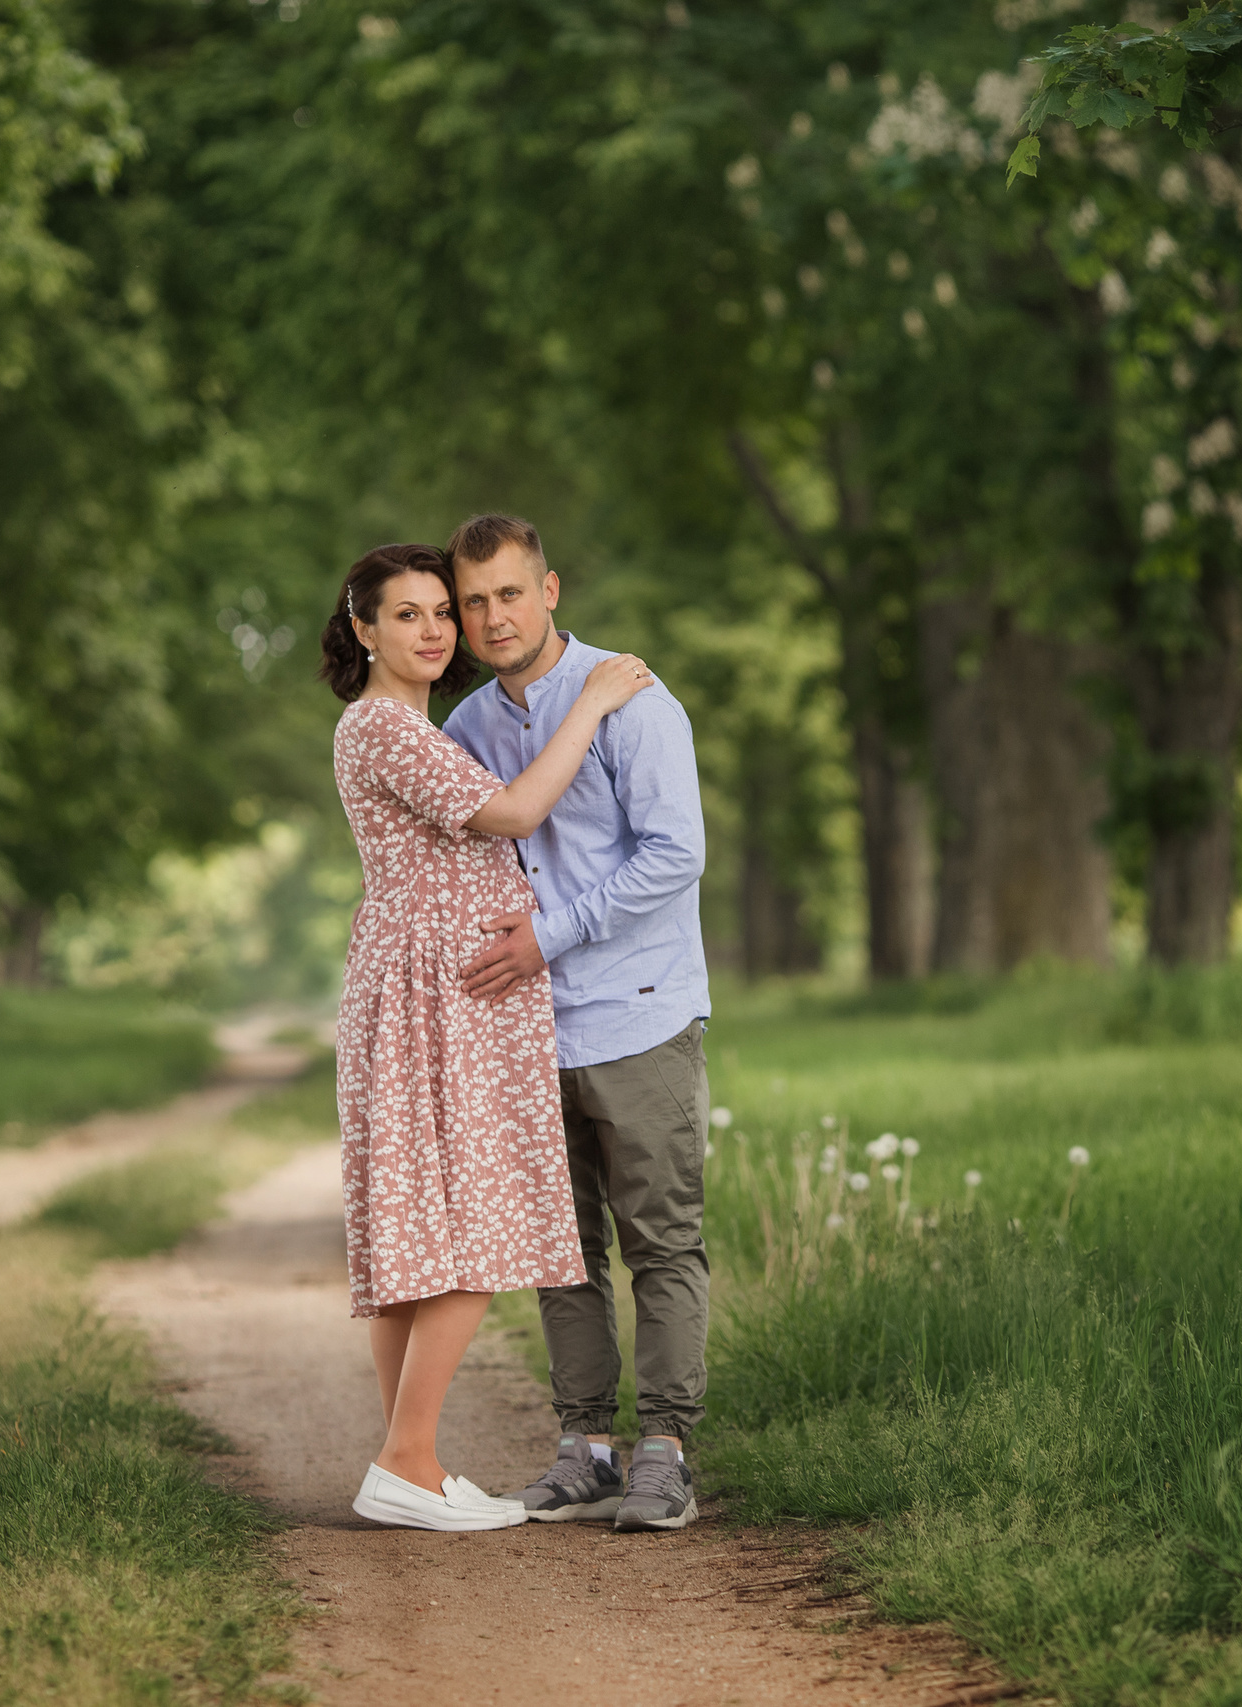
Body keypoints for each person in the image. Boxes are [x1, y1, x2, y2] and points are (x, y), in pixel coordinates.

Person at [319, 541, 657, 1534]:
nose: (431, 630)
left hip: (426, 980)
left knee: (416, 1230)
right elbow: (511, 812)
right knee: (468, 1222)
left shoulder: (401, 728)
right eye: (407, 613)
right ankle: (406, 1460)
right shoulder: (385, 728)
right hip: (441, 990)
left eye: (440, 612)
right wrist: (591, 703)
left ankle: (406, 1466)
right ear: (362, 627)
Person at [442, 513, 710, 1534]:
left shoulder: (632, 701)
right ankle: (584, 1448)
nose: (493, 616)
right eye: (474, 602)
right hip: (528, 1030)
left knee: (660, 1243)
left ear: (549, 590)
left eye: (509, 593)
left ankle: (667, 1453)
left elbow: (672, 854)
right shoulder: (467, 727)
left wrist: (549, 936)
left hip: (638, 1014)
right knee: (559, 1250)